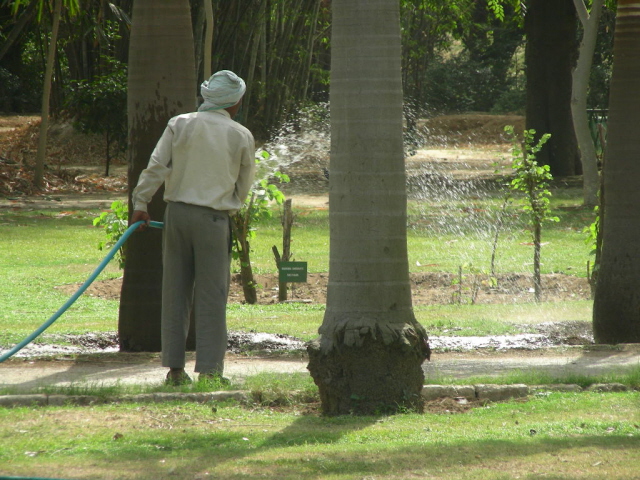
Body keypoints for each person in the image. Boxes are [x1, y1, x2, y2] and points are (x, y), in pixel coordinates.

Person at [130, 70, 256, 385]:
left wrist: (140, 204)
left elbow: (156, 165)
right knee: (212, 296)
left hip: (176, 216)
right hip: (213, 220)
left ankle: (175, 371)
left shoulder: (180, 124)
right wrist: (229, 202)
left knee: (175, 291)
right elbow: (243, 187)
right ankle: (211, 372)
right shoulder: (240, 134)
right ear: (235, 102)